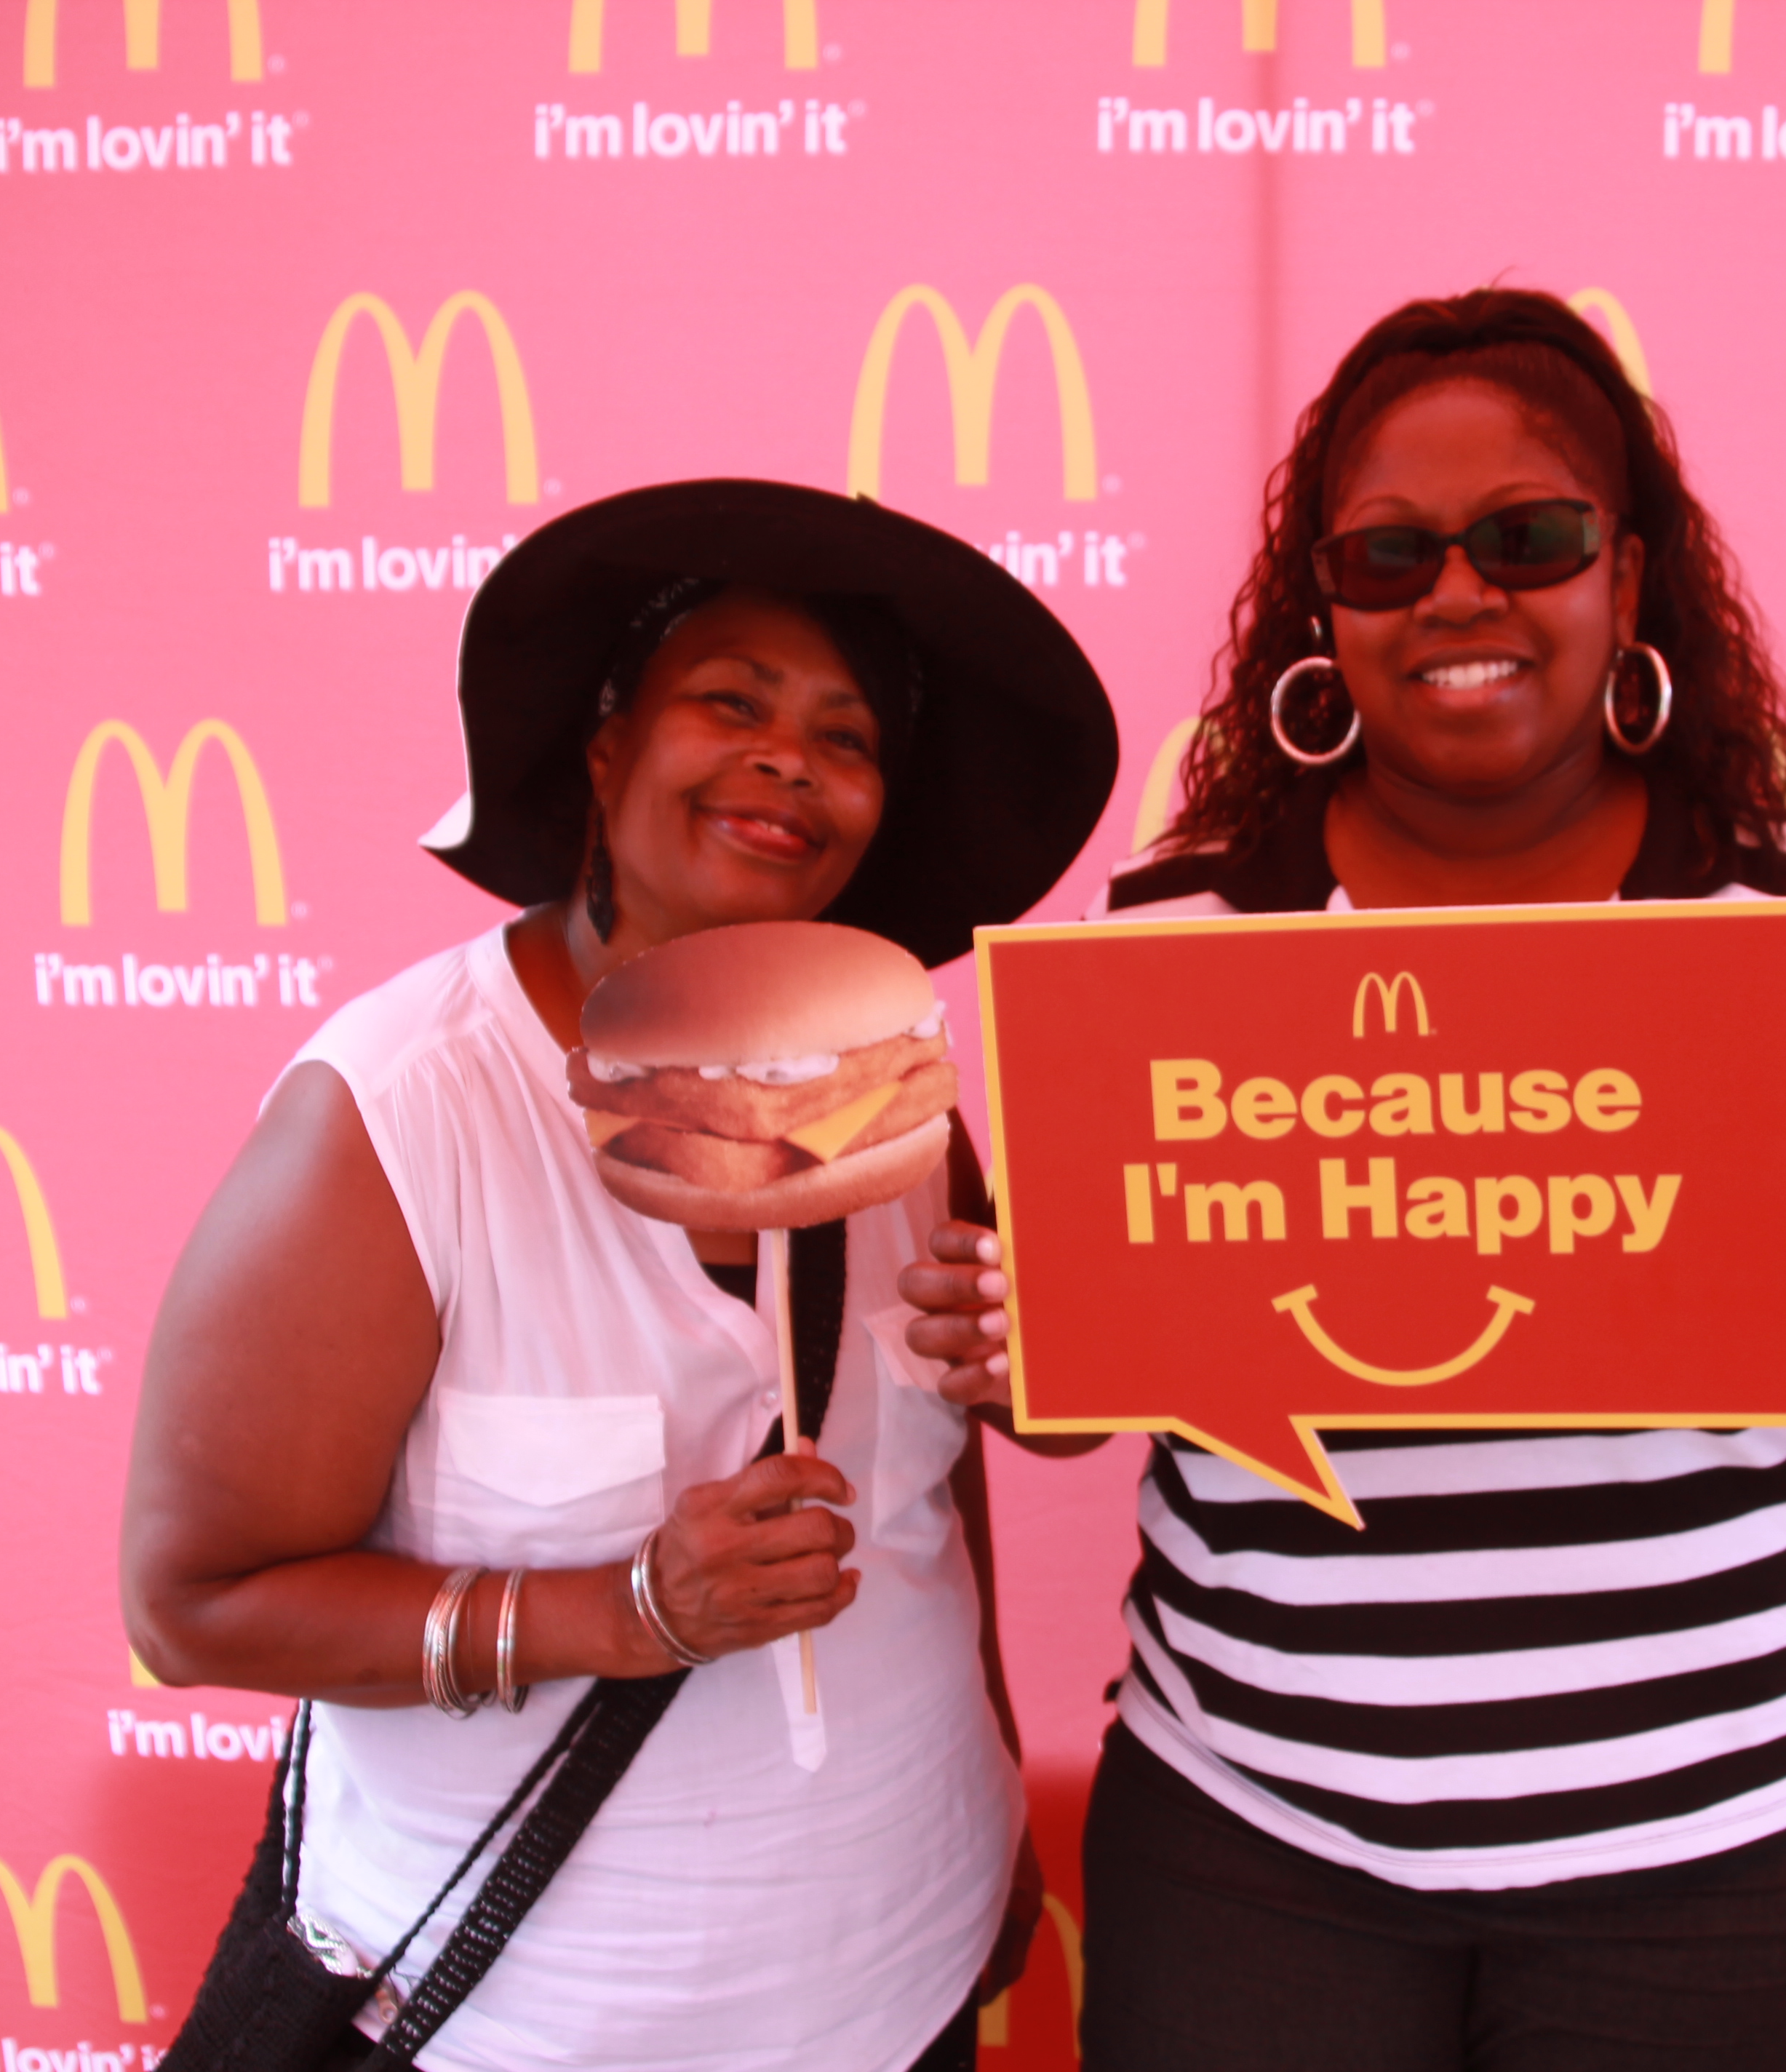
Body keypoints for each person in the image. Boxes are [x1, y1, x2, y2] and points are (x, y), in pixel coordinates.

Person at [904, 290, 1786, 2071]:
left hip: (1755, 1850)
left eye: (1526, 538)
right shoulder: (1176, 932)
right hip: (1260, 1840)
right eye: (1388, 556)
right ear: (1326, 608)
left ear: (1629, 574)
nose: (1457, 595)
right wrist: (1015, 1352)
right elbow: (1080, 1396)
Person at [121, 480, 1117, 2072]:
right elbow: (194, 1605)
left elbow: (938, 1483)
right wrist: (627, 1610)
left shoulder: (896, 1093)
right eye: (732, 702)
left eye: (848, 737)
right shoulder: (403, 1113)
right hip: (526, 2023)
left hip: (904, 1972)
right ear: (605, 748)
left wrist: (1044, 1384)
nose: (790, 758)